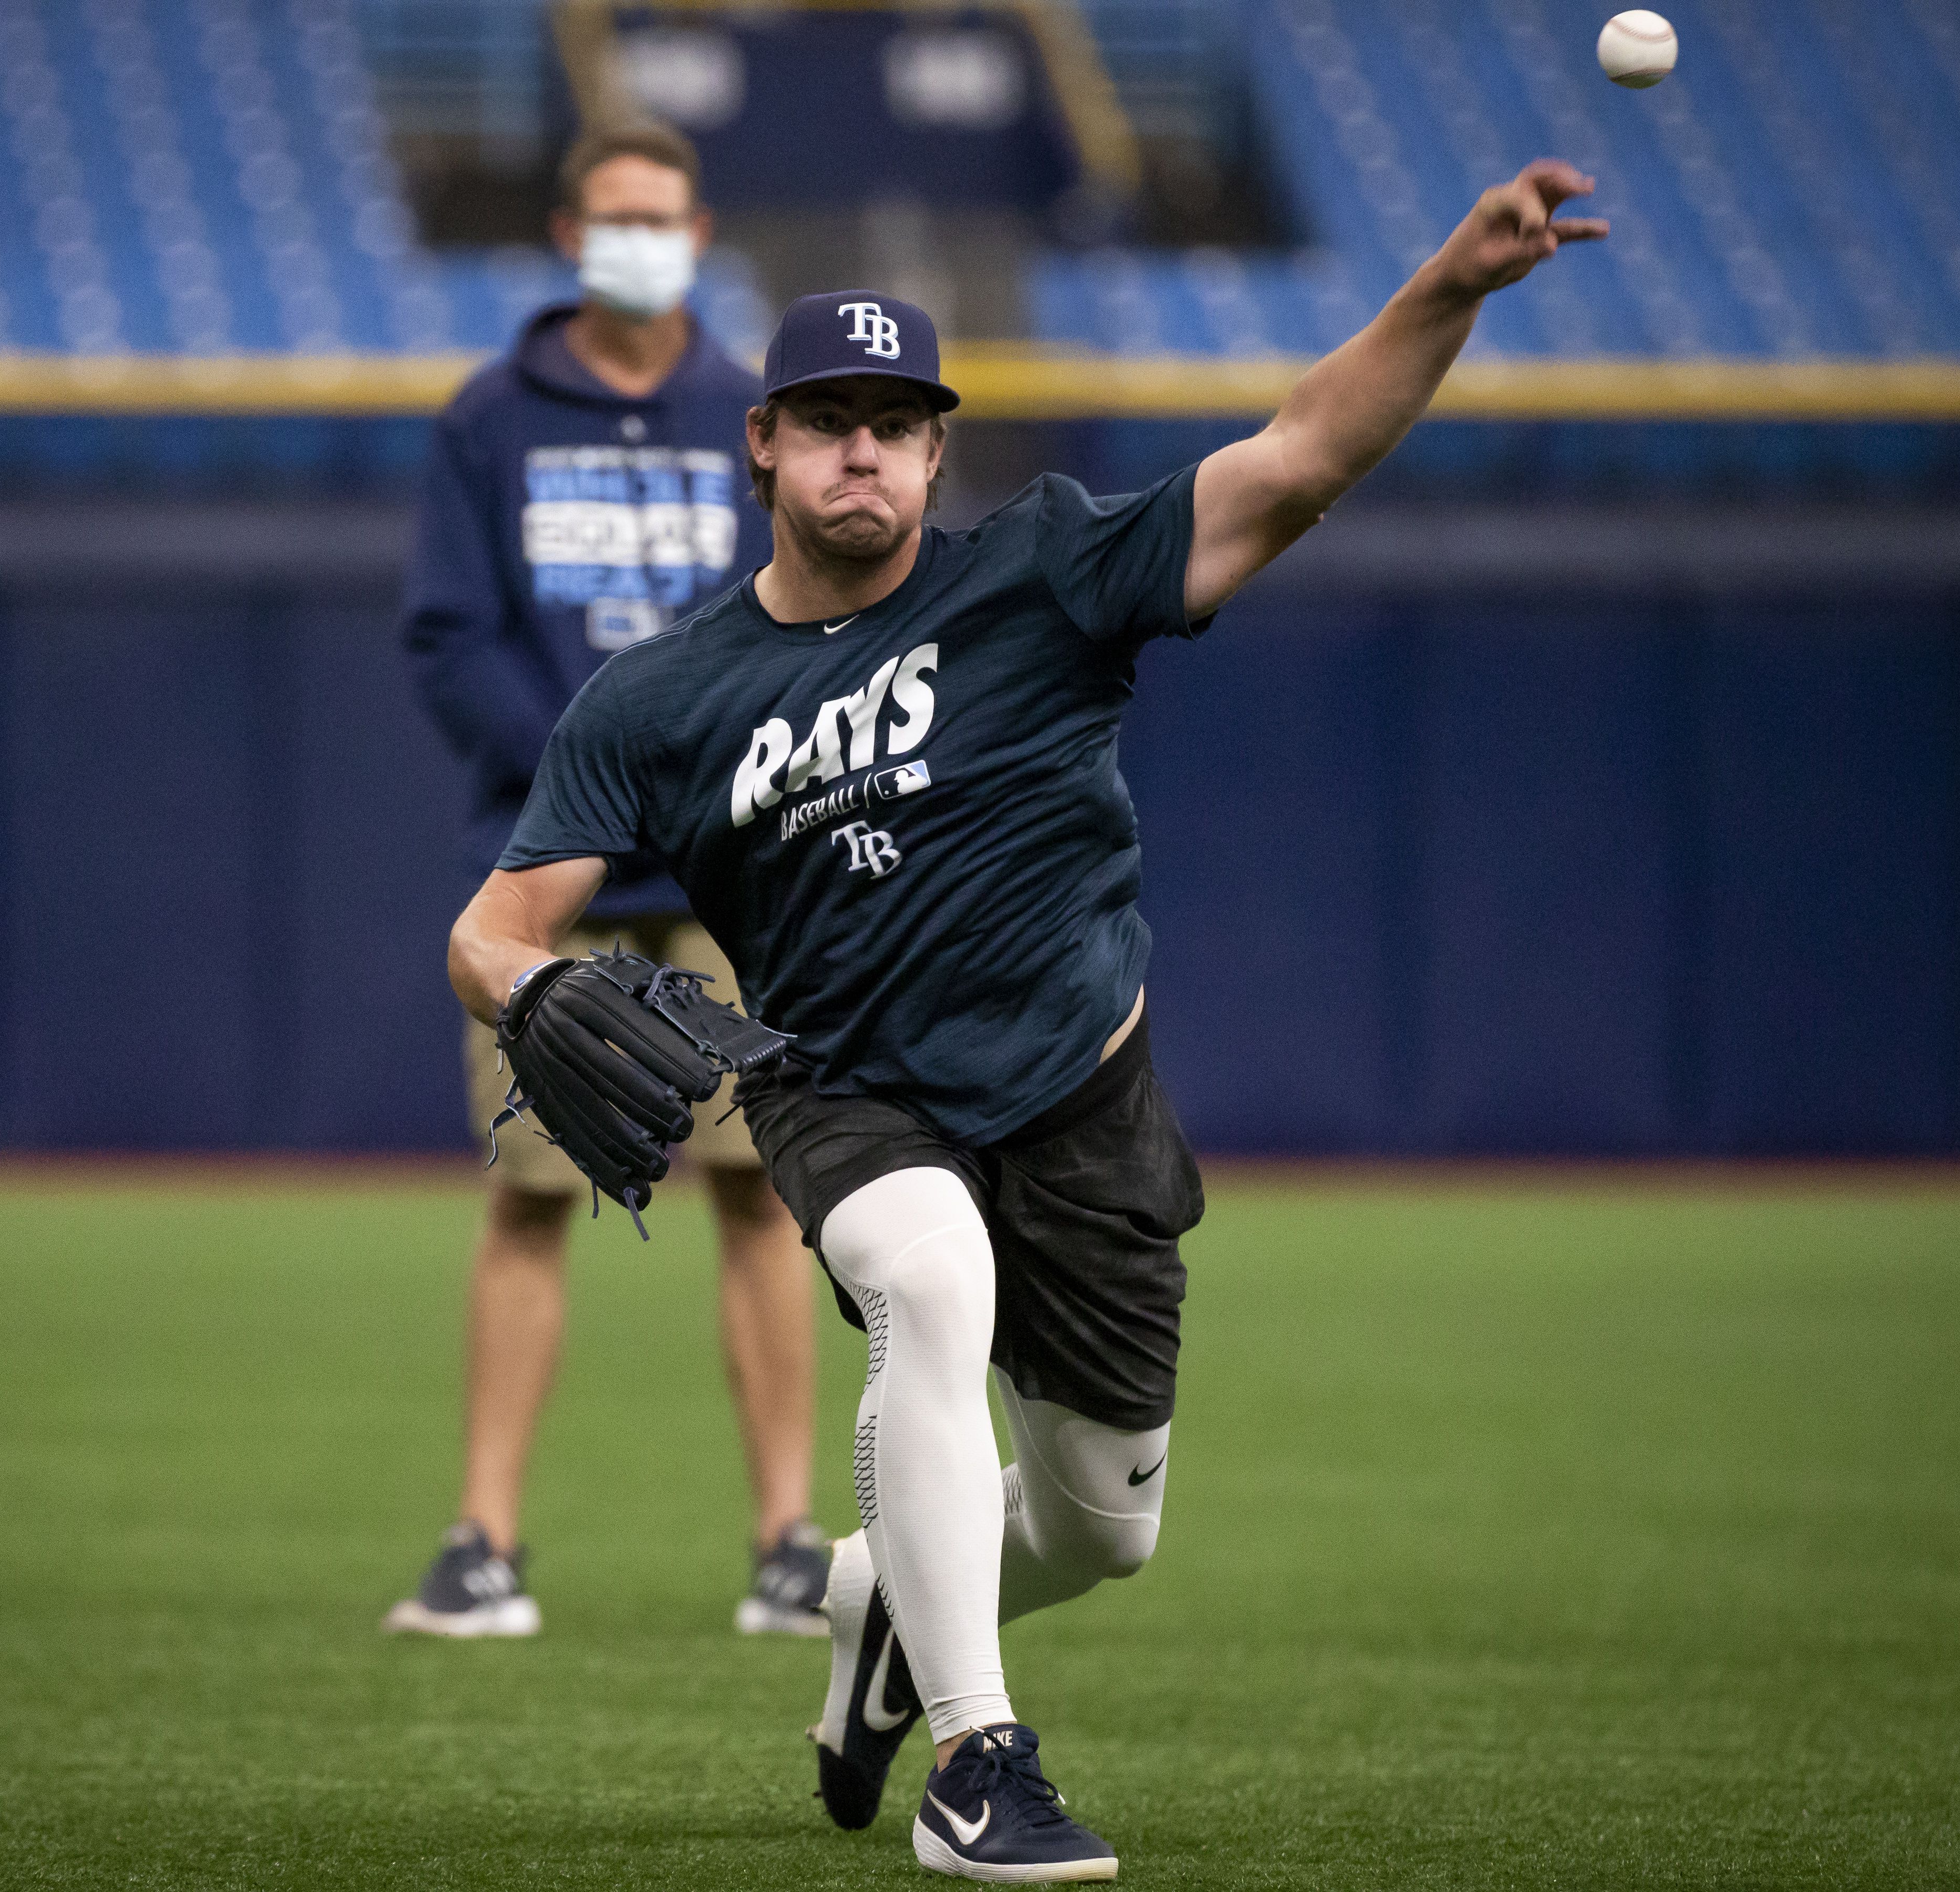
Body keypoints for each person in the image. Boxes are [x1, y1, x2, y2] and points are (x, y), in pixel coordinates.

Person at [446, 163, 1610, 1878]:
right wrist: (535, 984)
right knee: (928, 1284)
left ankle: (880, 1614)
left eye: (895, 423)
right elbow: (491, 925)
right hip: (851, 1094)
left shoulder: (1046, 574)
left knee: (1096, 1528)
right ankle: (980, 1768)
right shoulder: (660, 698)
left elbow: (1298, 456)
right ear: (760, 443)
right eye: (827, 419)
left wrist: (1447, 286)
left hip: (1080, 1090)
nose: (863, 450)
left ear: (936, 451)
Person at [389, 121, 831, 1640]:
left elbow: (801, 625)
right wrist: (594, 777)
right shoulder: (490, 417)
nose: (636, 237)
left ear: (697, 229)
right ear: (570, 233)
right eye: (610, 216)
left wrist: (695, 779)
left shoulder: (749, 415)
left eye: (659, 214)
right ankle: (481, 1543)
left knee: (759, 1195)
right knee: (526, 1202)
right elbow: (451, 635)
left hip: (727, 871)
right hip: (542, 879)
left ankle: (787, 1540)